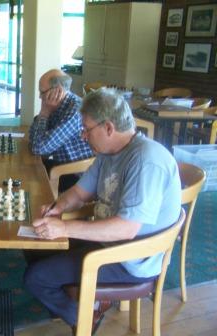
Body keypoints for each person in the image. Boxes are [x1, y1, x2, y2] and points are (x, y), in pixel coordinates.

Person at [24, 88, 182, 335]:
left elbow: (127, 228)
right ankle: (80, 303)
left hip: (131, 257)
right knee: (34, 245)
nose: (83, 136)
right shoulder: (109, 153)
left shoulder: (145, 160)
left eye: (86, 129)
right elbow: (79, 193)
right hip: (109, 241)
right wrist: (58, 208)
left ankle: (84, 316)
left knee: (36, 277)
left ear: (108, 128)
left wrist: (64, 227)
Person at [29, 69, 93, 193]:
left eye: (42, 92)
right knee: (28, 168)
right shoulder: (56, 106)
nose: (39, 97)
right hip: (63, 165)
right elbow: (33, 138)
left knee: (32, 180)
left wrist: (44, 113)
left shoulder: (75, 110)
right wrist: (44, 115)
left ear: (57, 90)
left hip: (78, 174)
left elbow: (38, 148)